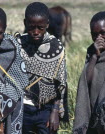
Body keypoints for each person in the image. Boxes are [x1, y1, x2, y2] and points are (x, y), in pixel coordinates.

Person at [15, 2, 68, 134]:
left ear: (47, 25)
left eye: (41, 27)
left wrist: (55, 111)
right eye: (32, 27)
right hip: (22, 108)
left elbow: (60, 83)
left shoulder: (56, 48)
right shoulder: (18, 45)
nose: (36, 32)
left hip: (46, 109)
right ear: (25, 23)